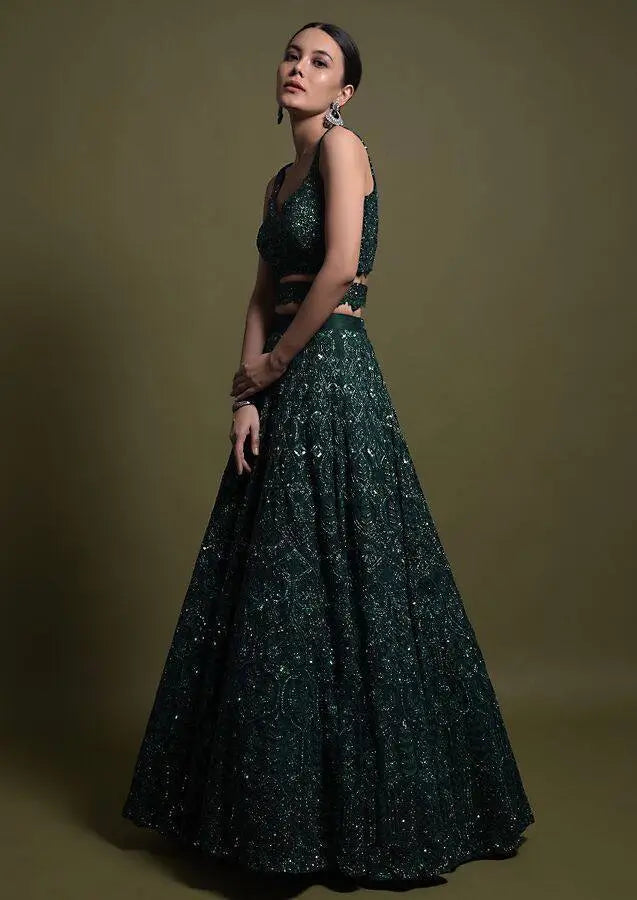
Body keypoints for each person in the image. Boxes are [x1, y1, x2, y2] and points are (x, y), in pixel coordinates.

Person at [121, 20, 534, 884]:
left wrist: (275, 365)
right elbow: (261, 293)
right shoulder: (278, 183)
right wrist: (245, 396)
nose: (298, 68)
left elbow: (341, 267)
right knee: (277, 591)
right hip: (281, 371)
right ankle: (271, 817)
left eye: (320, 62)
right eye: (292, 54)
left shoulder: (345, 151)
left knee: (350, 575)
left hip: (333, 369)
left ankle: (368, 813)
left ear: (343, 91)